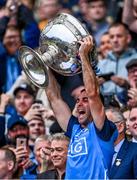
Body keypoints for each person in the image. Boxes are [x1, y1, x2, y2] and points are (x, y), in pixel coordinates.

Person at [45, 35, 117, 179]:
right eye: (77, 100)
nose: (79, 104)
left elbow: (93, 94)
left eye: (85, 100)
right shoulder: (75, 129)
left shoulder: (102, 130)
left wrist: (83, 56)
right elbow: (55, 99)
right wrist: (45, 66)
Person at [98, 23, 137, 98]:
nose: (115, 40)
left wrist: (126, 84)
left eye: (119, 36)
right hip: (106, 107)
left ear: (128, 38)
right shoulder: (101, 64)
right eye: (112, 37)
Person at [106, 108, 137, 179]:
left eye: (106, 124)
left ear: (120, 127)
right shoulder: (99, 154)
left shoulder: (134, 150)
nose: (102, 129)